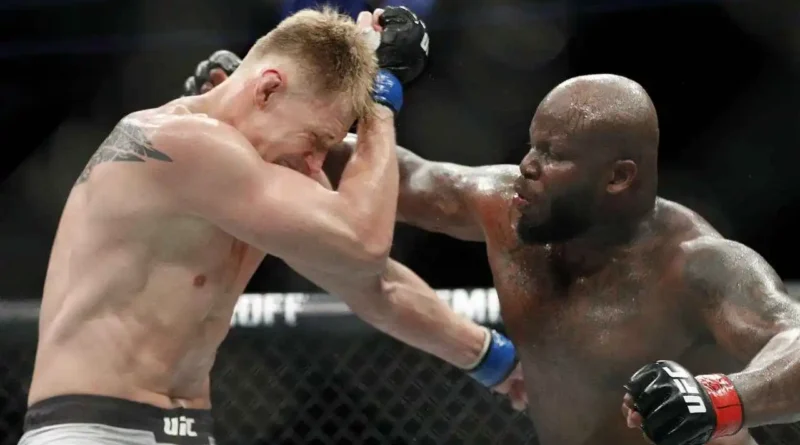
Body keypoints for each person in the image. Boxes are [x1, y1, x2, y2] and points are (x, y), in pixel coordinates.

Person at [199, 59, 800, 444]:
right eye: (530, 147)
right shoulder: (505, 207)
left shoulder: (696, 264)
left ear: (618, 178)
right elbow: (406, 178)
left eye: (553, 155)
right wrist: (255, 113)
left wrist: (725, 399)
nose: (527, 168)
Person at [20, 7, 525, 445]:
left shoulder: (251, 182)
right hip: (92, 429)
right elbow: (365, 241)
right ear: (267, 89)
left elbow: (374, 283)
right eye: (314, 139)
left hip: (188, 428)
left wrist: (495, 361)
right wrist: (380, 101)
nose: (314, 164)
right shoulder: (177, 141)